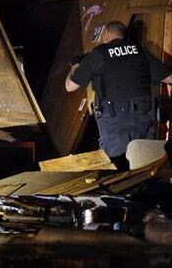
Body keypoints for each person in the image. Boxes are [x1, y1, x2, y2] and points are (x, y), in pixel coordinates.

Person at [66, 21, 172, 170]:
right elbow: (169, 78)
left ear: (107, 33)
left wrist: (75, 66)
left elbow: (70, 86)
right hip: (143, 116)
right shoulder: (140, 51)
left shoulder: (98, 54)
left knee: (116, 168)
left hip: (114, 119)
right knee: (144, 164)